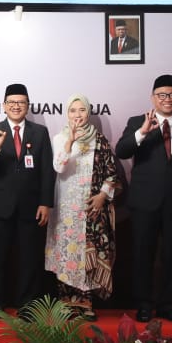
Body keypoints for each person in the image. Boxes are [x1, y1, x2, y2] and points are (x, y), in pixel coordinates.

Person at [115, 74, 172, 323]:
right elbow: (122, 150)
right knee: (142, 254)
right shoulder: (138, 121)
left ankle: (167, 304)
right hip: (145, 202)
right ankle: (143, 304)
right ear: (153, 98)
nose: (168, 99)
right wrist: (142, 133)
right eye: (162, 95)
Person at [0, 83, 55, 320]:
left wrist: (45, 203)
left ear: (27, 106)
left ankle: (27, 307)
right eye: (11, 103)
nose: (15, 106)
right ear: (4, 105)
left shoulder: (39, 132)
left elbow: (46, 170)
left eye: (20, 103)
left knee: (29, 259)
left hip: (30, 207)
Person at [45, 93, 119, 322]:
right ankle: (67, 302)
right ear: (67, 114)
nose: (78, 115)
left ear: (88, 112)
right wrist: (70, 141)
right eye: (72, 111)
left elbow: (111, 173)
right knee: (67, 253)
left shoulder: (100, 140)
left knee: (86, 254)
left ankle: (86, 302)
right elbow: (58, 167)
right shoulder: (59, 139)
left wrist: (102, 196)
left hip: (91, 208)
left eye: (82, 110)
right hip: (65, 208)